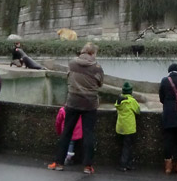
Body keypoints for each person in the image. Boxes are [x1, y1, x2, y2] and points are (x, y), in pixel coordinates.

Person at [49, 43, 104, 173]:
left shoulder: (72, 63)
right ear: (92, 53)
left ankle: (59, 163)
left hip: (73, 101)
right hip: (90, 103)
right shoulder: (97, 67)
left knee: (66, 132)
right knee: (88, 134)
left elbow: (68, 77)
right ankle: (87, 166)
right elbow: (100, 83)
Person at [115, 82, 140, 171]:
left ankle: (125, 164)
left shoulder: (119, 101)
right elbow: (138, 111)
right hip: (129, 128)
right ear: (130, 92)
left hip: (120, 127)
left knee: (122, 146)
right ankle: (125, 164)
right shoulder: (132, 101)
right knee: (128, 146)